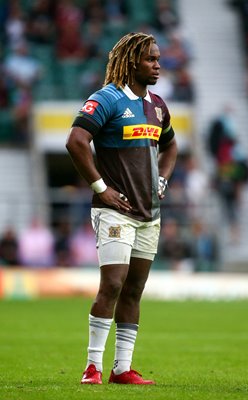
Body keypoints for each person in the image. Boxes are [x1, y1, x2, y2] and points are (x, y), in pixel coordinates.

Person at [66, 32, 178, 385]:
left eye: (158, 59)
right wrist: (101, 187)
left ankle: (121, 369)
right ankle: (92, 366)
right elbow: (75, 140)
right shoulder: (107, 99)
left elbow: (171, 146)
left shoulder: (158, 105)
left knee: (133, 290)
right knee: (112, 284)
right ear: (132, 61)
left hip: (150, 214)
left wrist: (162, 180)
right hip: (114, 211)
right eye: (150, 59)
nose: (158, 65)